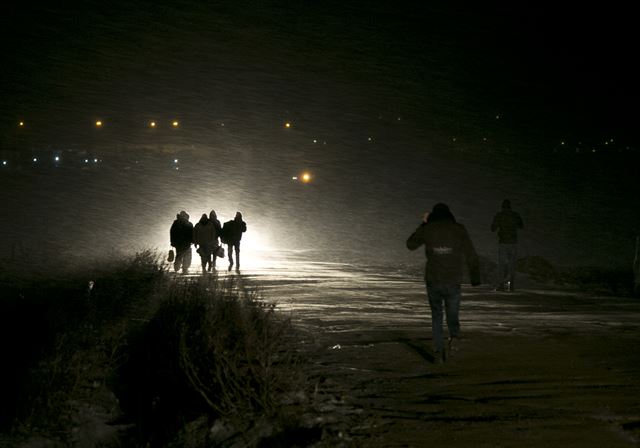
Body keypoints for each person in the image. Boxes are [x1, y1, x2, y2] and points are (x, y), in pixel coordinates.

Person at [407, 203, 481, 364]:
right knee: (452, 312)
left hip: (434, 279)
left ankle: (439, 352)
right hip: (453, 279)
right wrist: (475, 277)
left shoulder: (428, 229)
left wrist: (424, 224)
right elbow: (471, 253)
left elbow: (410, 244)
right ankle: (454, 336)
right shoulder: (458, 229)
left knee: (437, 316)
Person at [491, 199, 524, 291]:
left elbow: (493, 228)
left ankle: (501, 285)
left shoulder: (500, 215)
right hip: (513, 242)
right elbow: (521, 226)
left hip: (503, 242)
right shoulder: (515, 215)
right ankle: (511, 285)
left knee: (502, 264)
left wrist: (501, 225)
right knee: (512, 264)